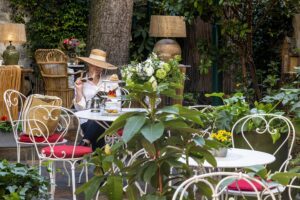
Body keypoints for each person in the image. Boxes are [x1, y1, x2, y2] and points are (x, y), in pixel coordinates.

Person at [74, 49, 119, 150]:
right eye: (94, 65)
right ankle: (100, 163)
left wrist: (112, 90)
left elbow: (115, 103)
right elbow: (79, 109)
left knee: (99, 120)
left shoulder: (109, 81)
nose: (98, 68)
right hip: (87, 121)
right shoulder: (81, 82)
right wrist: (79, 91)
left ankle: (84, 143)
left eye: (100, 65)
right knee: (96, 127)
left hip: (107, 118)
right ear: (89, 65)